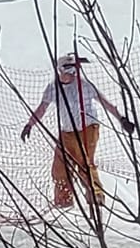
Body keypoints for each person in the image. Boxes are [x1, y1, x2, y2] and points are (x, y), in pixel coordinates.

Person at [21, 54, 124, 210]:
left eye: (75, 70)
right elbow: (42, 108)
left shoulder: (84, 85)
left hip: (87, 128)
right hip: (68, 131)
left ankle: (96, 196)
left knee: (85, 162)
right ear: (60, 70)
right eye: (69, 70)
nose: (73, 74)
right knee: (60, 166)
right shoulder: (52, 88)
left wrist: (121, 119)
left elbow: (105, 102)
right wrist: (30, 124)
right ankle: (64, 201)